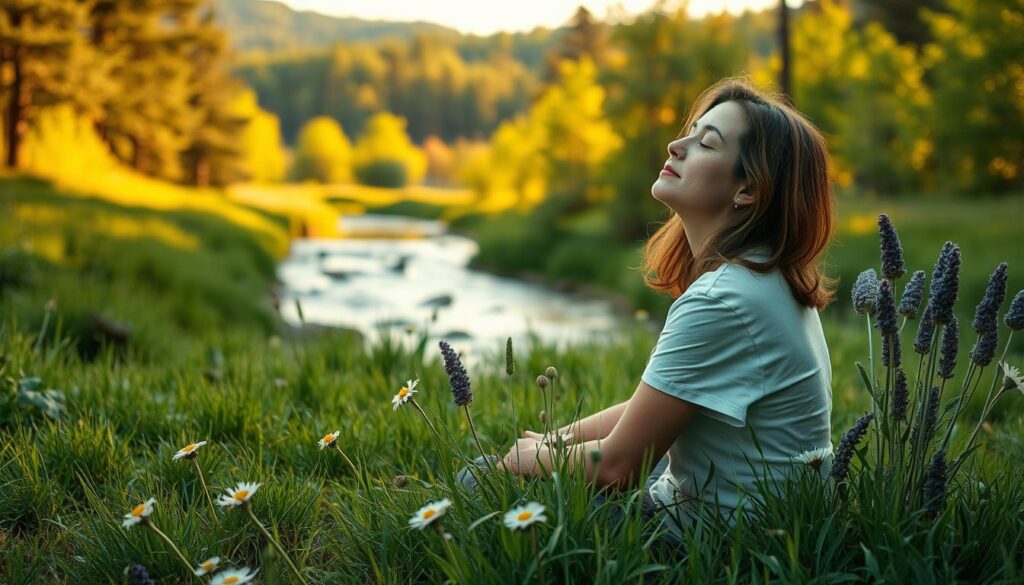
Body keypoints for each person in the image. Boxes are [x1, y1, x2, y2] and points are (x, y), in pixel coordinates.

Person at [495, 75, 837, 535]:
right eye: (689, 131)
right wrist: (560, 439)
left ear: (748, 190)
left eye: (706, 143)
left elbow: (618, 469)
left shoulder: (725, 301)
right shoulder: (764, 278)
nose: (677, 144)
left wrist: (536, 457)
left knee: (480, 479)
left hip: (716, 544)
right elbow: (661, 404)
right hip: (762, 521)